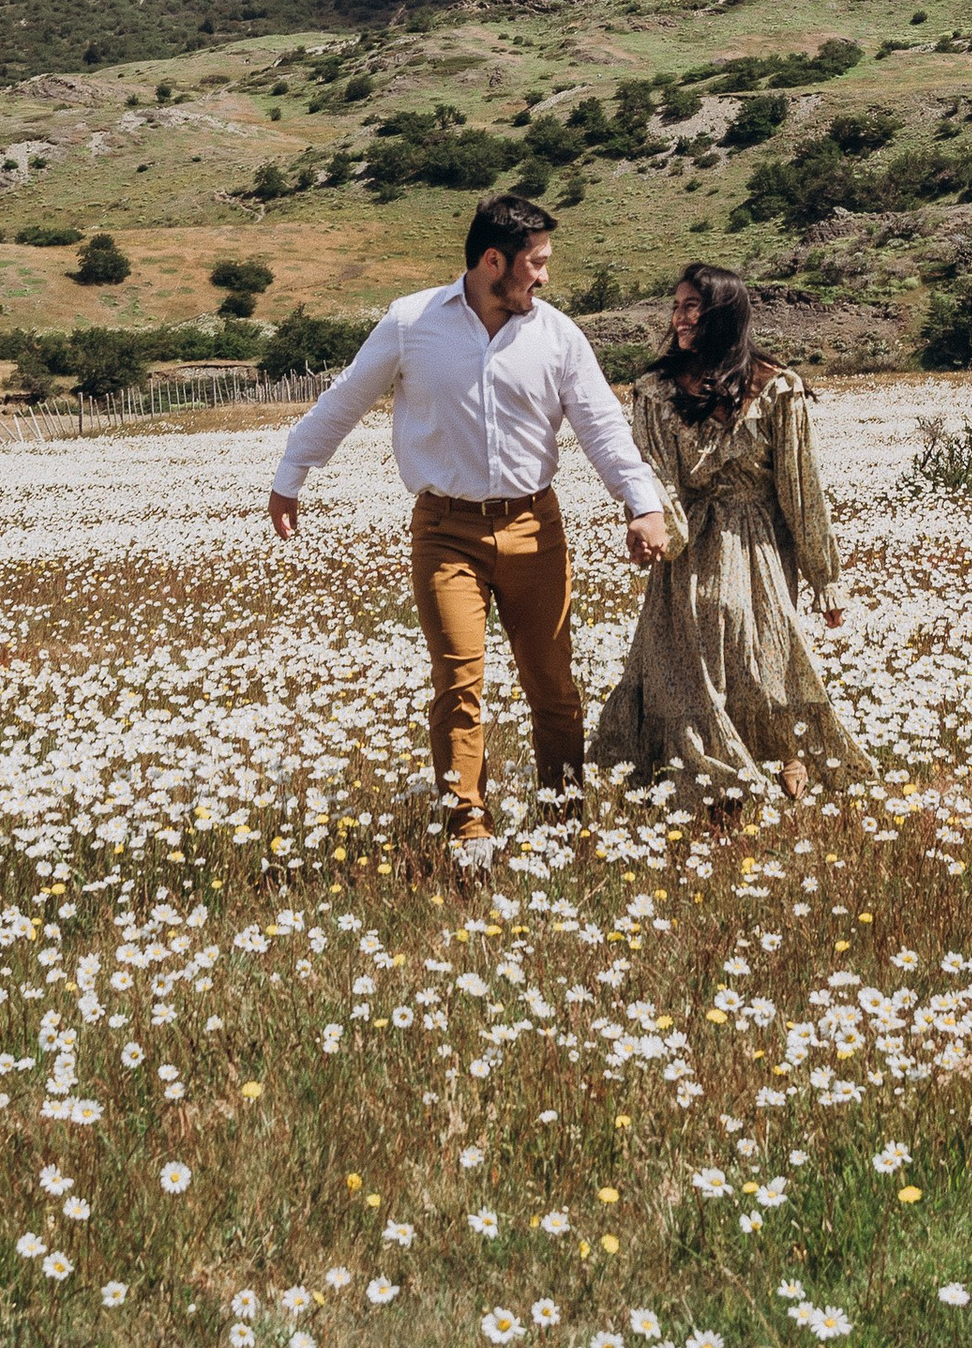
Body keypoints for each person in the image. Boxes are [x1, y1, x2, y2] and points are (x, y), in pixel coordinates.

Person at [268, 193, 669, 864]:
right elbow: (346, 398)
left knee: (553, 687)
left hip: (535, 528)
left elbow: (602, 425)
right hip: (445, 531)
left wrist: (641, 502)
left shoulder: (558, 336)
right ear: (493, 261)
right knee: (458, 685)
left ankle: (563, 822)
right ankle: (468, 832)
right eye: (535, 263)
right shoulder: (411, 322)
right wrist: (292, 471)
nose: (544, 277)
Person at [593, 260, 868, 805]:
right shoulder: (655, 391)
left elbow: (801, 487)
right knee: (689, 654)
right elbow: (653, 473)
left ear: (722, 313)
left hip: (759, 543)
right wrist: (657, 530)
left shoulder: (777, 389)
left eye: (691, 307)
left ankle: (782, 754)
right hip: (690, 540)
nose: (679, 318)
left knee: (758, 648)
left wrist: (825, 578)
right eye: (675, 307)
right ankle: (704, 774)